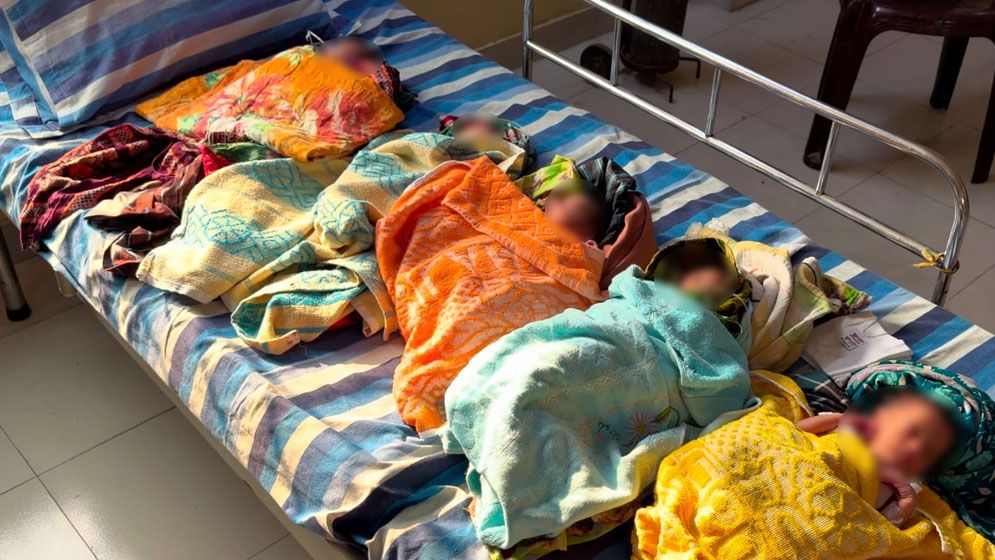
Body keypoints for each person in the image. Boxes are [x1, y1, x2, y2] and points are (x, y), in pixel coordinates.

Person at [797, 386, 960, 527]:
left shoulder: (903, 487)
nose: (915, 448)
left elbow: (884, 529)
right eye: (912, 432)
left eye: (927, 452)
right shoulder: (848, 429)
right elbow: (794, 431)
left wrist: (906, 503)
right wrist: (838, 419)